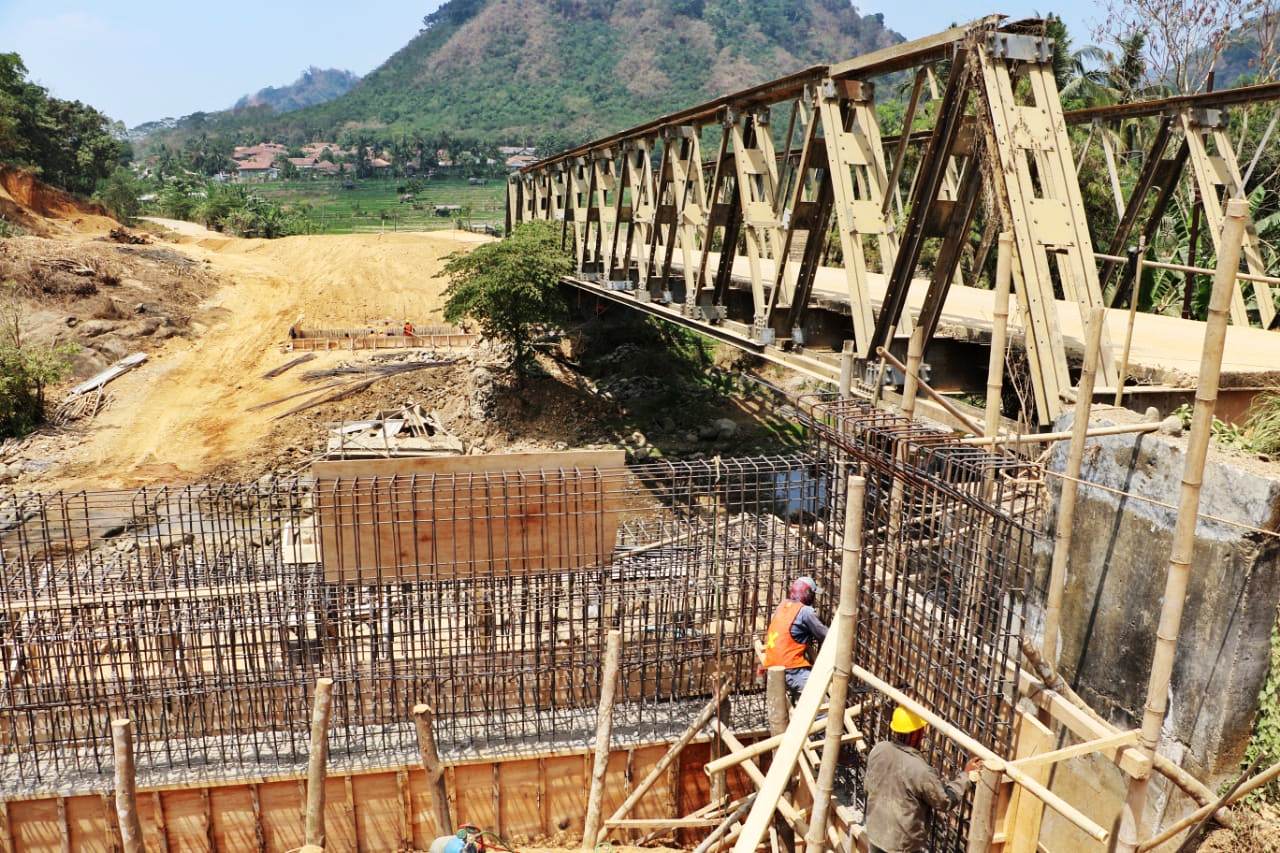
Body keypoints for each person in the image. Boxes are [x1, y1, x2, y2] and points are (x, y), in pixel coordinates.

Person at [864, 705, 980, 853]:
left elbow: (867, 787)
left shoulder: (879, 749)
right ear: (915, 733)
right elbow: (944, 801)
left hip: (875, 832)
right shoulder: (920, 769)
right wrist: (965, 776)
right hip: (902, 846)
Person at [761, 576, 827, 696]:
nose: (814, 598)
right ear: (807, 594)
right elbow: (826, 636)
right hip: (790, 669)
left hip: (771, 664)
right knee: (819, 701)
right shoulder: (806, 611)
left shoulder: (783, 605)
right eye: (813, 594)